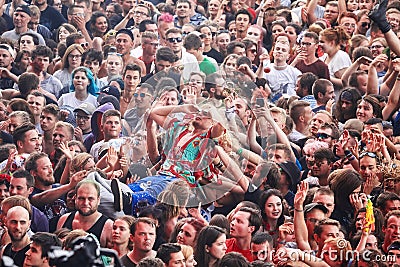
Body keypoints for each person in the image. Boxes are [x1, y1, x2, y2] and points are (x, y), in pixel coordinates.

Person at [56, 179, 114, 248]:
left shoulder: (108, 227)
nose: (85, 203)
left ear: (98, 200)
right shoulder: (64, 220)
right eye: (81, 198)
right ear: (75, 199)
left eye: (90, 199)